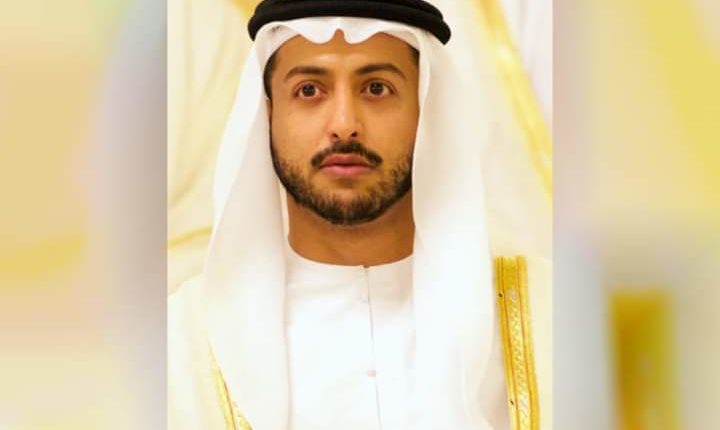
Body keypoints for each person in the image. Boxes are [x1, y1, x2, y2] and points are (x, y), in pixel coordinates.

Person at [168, 1, 551, 429]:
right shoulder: (179, 348)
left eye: (376, 88)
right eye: (309, 90)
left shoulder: (550, 316)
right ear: (267, 116)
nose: (345, 124)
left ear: (425, 108)